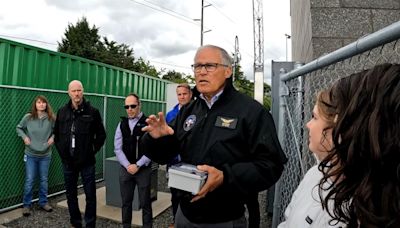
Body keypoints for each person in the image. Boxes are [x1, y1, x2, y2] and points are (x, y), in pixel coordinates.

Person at [141, 44, 287, 227]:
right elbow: (163, 156)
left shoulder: (251, 112)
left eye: (209, 66)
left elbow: (271, 165)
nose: (201, 72)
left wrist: (226, 176)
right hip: (184, 215)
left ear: (227, 71)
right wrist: (158, 139)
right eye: (197, 66)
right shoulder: (188, 111)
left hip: (224, 219)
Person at [279, 63, 400, 228]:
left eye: (314, 117)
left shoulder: (370, 204)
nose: (307, 125)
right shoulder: (314, 174)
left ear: (340, 129)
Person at [54, 80, 106, 228]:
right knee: (71, 195)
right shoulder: (62, 112)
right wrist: (63, 154)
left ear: (83, 91)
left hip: (87, 162)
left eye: (79, 90)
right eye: (73, 91)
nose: (76, 93)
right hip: (68, 162)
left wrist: (91, 151)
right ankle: (75, 222)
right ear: (68, 92)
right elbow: (56, 135)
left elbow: (101, 135)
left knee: (90, 195)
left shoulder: (92, 112)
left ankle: (90, 224)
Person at [114, 93, 153, 228]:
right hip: (126, 170)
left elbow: (152, 149)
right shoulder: (121, 124)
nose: (129, 109)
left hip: (143, 170)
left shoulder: (148, 123)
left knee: (146, 203)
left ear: (139, 105)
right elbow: (117, 148)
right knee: (126, 203)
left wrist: (138, 165)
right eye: (127, 106)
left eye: (133, 106)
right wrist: (127, 165)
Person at [16, 95, 55, 216]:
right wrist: (24, 137)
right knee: (30, 179)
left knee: (44, 180)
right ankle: (26, 205)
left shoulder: (51, 118)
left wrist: (53, 138)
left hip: (45, 154)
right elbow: (19, 128)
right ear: (35, 104)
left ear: (46, 105)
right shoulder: (28, 117)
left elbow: (58, 130)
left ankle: (43, 202)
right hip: (31, 154)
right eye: (39, 102)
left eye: (44, 102)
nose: (41, 104)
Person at [165, 83, 192, 228]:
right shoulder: (171, 114)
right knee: (175, 194)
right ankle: (176, 221)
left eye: (184, 94)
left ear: (190, 95)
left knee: (191, 194)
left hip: (191, 162)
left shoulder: (197, 112)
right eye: (179, 94)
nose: (182, 97)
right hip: (174, 162)